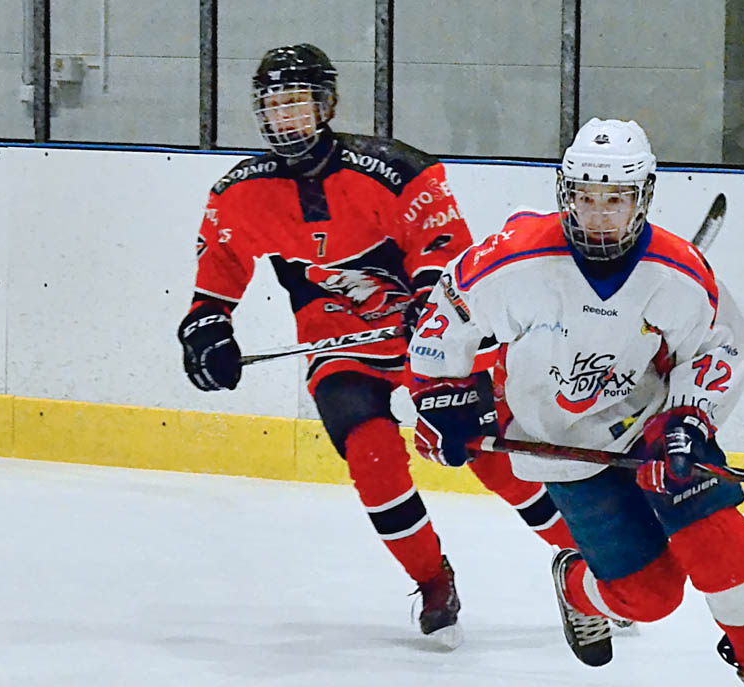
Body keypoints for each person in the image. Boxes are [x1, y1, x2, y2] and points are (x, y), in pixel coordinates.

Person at [407, 118, 744, 687]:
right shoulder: (515, 258)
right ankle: (577, 586)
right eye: (586, 198)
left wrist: (689, 420)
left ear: (642, 198)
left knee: (720, 543)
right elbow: (446, 315)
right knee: (650, 596)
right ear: (566, 194)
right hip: (561, 441)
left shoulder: (679, 271)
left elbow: (719, 346)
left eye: (615, 199)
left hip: (655, 425)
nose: (598, 215)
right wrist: (441, 393)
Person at [177, 44, 576, 648]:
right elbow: (219, 273)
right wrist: (208, 327)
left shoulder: (397, 170)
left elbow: (445, 247)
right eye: (274, 106)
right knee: (372, 459)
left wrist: (427, 300)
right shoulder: (239, 193)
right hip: (338, 344)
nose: (285, 118)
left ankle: (594, 562)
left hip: (434, 339)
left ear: (326, 105)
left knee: (490, 454)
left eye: (297, 103)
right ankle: (432, 580)